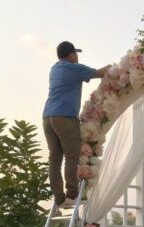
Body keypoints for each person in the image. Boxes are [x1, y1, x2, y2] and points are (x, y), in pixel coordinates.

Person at [42, 41, 109, 208]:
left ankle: (59, 199)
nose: (77, 57)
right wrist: (113, 67)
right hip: (64, 118)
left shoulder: (55, 69)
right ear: (71, 55)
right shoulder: (74, 69)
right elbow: (101, 73)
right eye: (76, 53)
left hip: (48, 117)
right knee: (71, 155)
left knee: (54, 158)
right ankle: (72, 194)